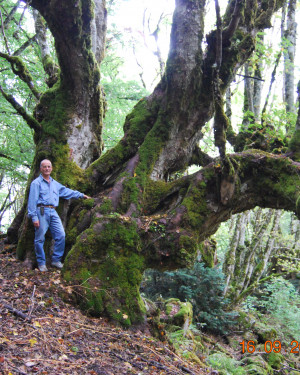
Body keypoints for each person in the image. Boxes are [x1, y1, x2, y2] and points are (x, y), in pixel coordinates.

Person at [27, 159, 90, 272]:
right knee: (39, 239)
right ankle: (41, 263)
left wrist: (81, 195)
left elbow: (67, 192)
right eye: (44, 167)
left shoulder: (55, 184)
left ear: (51, 168)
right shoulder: (36, 183)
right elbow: (32, 201)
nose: (47, 169)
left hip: (53, 211)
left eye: (49, 167)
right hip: (41, 211)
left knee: (61, 235)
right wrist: (34, 217)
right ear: (41, 169)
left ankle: (56, 260)